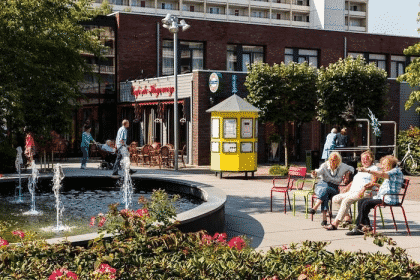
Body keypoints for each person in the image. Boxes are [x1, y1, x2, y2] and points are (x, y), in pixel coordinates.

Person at [346, 155, 404, 235]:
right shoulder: (393, 171)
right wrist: (376, 185)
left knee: (366, 203)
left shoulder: (395, 171)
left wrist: (368, 171)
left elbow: (382, 175)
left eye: (384, 164)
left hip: (388, 199)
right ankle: (365, 226)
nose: (382, 166)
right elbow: (390, 187)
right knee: (361, 201)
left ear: (389, 164)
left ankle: (359, 226)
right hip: (384, 196)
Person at [324, 150, 379, 230]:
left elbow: (373, 182)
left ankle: (335, 223)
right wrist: (347, 187)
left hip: (364, 192)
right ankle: (347, 217)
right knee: (335, 198)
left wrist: (364, 189)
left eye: (366, 158)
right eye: (362, 159)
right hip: (353, 192)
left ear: (371, 159)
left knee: (346, 200)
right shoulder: (362, 169)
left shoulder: (374, 168)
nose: (364, 160)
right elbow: (355, 180)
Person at [309, 152, 354, 226]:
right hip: (322, 184)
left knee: (324, 191)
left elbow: (351, 168)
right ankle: (322, 217)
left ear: (338, 160)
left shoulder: (342, 166)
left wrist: (348, 173)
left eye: (335, 160)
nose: (332, 161)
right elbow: (318, 172)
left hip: (334, 187)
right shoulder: (325, 165)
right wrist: (314, 173)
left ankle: (318, 211)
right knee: (325, 191)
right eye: (331, 160)